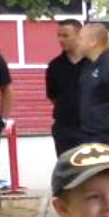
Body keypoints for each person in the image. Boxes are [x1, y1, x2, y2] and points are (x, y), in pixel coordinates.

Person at [46, 18, 86, 154]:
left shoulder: (95, 64)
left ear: (80, 35)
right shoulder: (55, 66)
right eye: (59, 36)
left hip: (94, 130)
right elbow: (52, 96)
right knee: (68, 172)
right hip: (65, 130)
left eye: (65, 36)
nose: (61, 40)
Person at [77, 23, 109, 145]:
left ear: (92, 41)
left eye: (80, 38)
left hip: (104, 136)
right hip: (86, 133)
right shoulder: (87, 65)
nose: (78, 42)